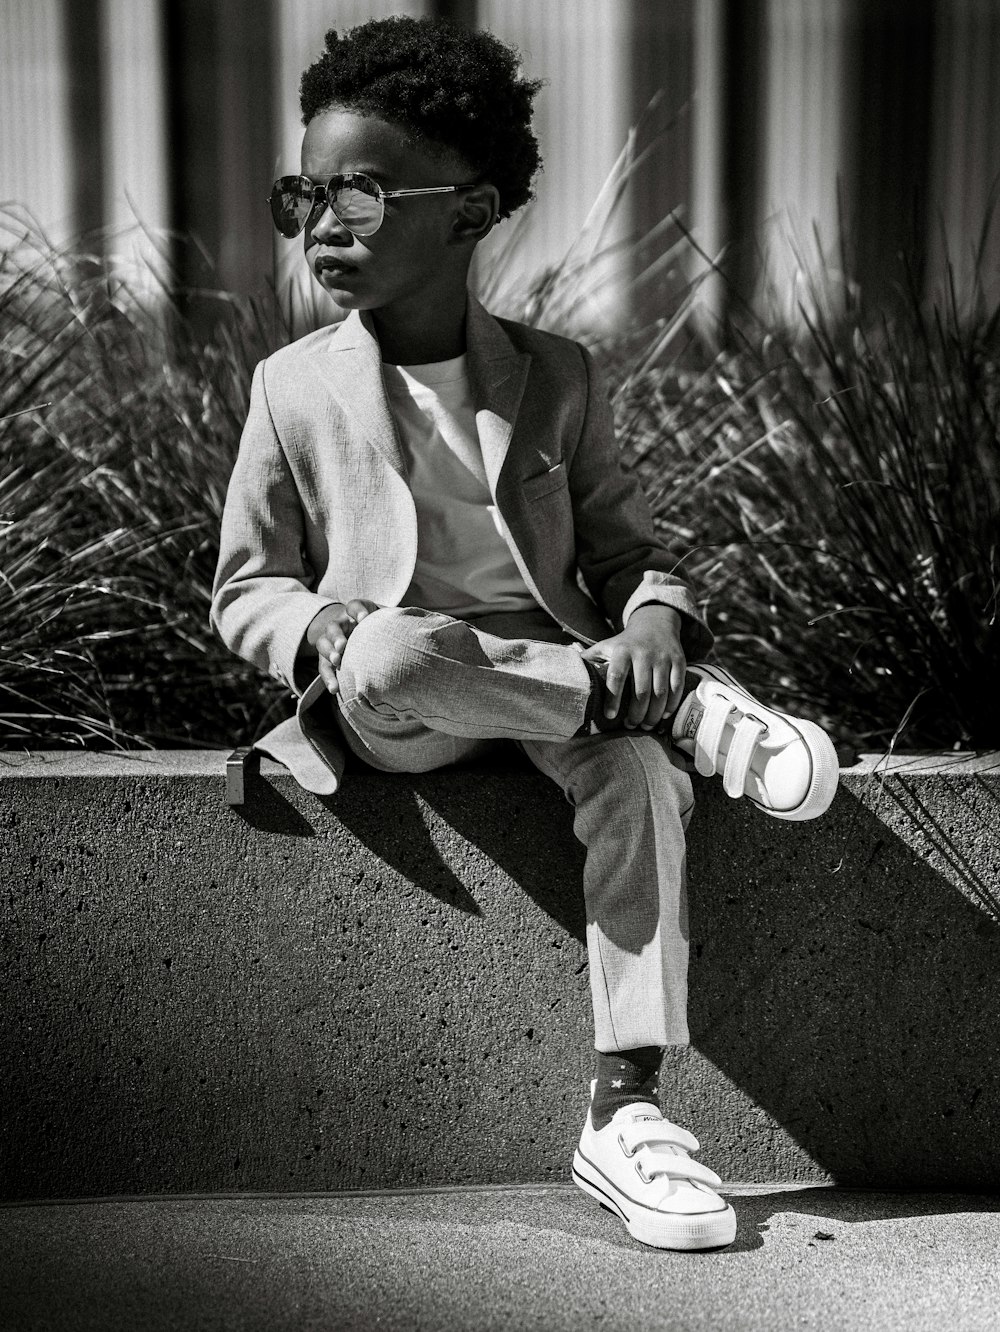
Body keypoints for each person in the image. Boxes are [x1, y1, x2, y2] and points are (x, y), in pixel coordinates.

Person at [211, 14, 838, 1252]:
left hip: (557, 680)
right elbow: (244, 587)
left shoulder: (558, 372)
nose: (321, 222)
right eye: (304, 193)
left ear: (469, 207)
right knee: (398, 647)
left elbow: (621, 553)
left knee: (637, 772)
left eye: (363, 190)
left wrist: (656, 615)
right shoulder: (292, 386)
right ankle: (667, 703)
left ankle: (625, 1112)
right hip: (401, 696)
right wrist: (323, 625)